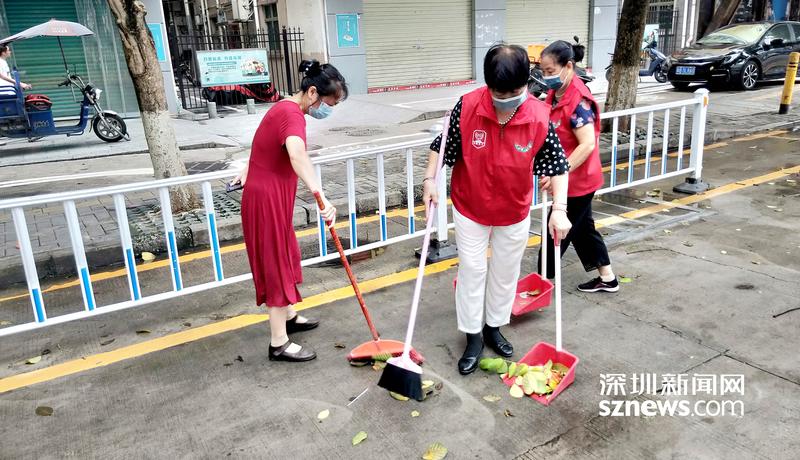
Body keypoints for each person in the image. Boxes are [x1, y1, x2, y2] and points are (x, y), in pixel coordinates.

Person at [423, 44, 572, 375]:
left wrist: (559, 209)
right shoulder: (468, 106)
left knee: (505, 273)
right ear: (487, 83)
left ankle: (494, 326)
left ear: (525, 83)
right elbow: (441, 146)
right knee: (473, 271)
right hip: (470, 206)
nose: (505, 98)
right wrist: (429, 179)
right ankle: (473, 335)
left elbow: (558, 165)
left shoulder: (537, 114)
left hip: (513, 210)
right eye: (498, 92)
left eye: (514, 91)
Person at [232, 59, 346, 362]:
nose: (328, 110)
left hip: (271, 196)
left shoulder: (284, 108)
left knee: (287, 254)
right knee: (276, 263)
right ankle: (278, 342)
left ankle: (290, 316)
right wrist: (321, 196)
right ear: (311, 92)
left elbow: (264, 143)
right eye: (328, 103)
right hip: (266, 201)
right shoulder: (292, 116)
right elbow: (297, 154)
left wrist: (250, 166)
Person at [538, 40, 618, 293]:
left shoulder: (579, 101)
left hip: (578, 181)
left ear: (568, 66)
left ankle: (540, 284)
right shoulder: (556, 92)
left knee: (555, 232)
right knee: (583, 229)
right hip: (573, 178)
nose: (546, 76)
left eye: (550, 71)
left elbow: (586, 145)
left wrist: (557, 172)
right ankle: (608, 278)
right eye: (543, 71)